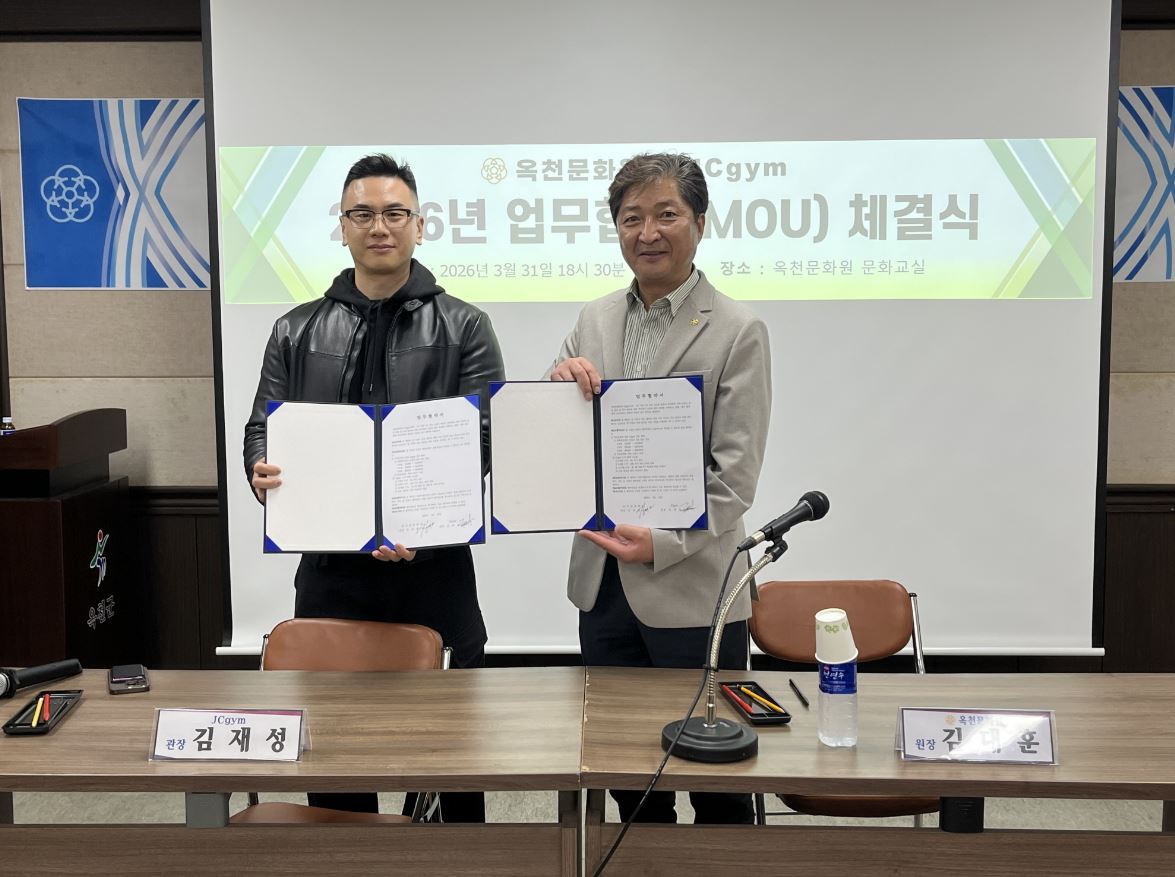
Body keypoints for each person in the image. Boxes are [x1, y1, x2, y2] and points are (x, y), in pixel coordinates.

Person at [244, 154, 505, 822]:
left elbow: (482, 437)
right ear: (342, 226)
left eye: (394, 213)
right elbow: (263, 428)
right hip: (331, 573)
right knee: (333, 752)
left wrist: (416, 522)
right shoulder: (295, 328)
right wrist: (261, 469)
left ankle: (457, 865)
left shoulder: (465, 325)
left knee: (452, 753)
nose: (378, 227)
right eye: (361, 214)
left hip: (433, 569)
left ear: (420, 225)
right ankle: (342, 861)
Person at [548, 153, 771, 824]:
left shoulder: (737, 329)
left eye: (665, 214)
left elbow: (735, 475)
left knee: (717, 778)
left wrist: (664, 543)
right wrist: (555, 386)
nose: (647, 232)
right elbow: (557, 435)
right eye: (631, 218)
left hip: (693, 587)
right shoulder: (592, 319)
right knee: (627, 770)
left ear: (699, 222)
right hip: (603, 584)